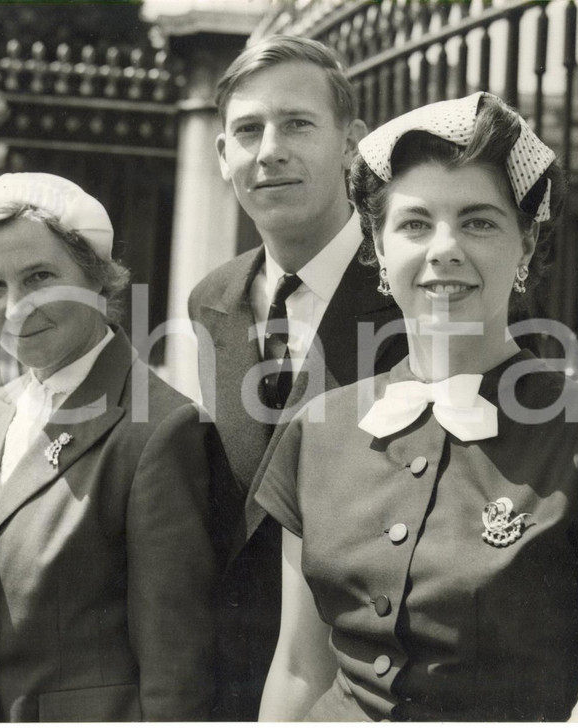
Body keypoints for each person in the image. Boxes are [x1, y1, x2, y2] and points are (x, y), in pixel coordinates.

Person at [255, 92, 578, 722]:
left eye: (479, 221)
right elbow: (298, 671)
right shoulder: (319, 432)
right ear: (377, 247)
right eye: (414, 223)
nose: (444, 248)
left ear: (526, 243)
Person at [0, 173, 216, 722]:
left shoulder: (163, 429)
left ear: (98, 279)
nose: (15, 308)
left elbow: (175, 667)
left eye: (39, 277)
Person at [187, 35, 408, 721]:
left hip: (374, 683)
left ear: (352, 146)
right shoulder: (213, 300)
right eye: (247, 131)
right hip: (237, 678)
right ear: (223, 157)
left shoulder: (417, 294)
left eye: (298, 124)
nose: (270, 149)